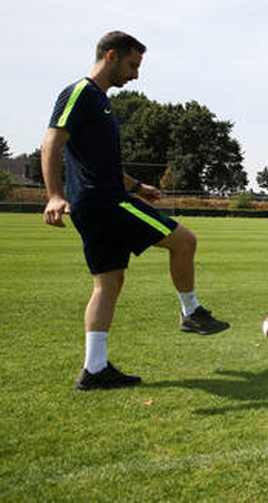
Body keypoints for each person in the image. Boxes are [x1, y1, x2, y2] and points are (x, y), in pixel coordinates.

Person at [42, 31, 230, 391]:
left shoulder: (103, 104)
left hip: (99, 199)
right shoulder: (81, 93)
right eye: (133, 65)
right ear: (111, 56)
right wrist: (53, 195)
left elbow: (101, 163)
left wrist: (138, 187)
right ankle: (190, 313)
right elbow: (53, 139)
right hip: (104, 202)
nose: (136, 75)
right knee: (184, 241)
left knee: (109, 283)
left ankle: (94, 369)